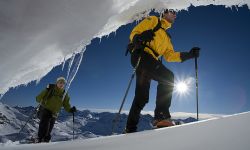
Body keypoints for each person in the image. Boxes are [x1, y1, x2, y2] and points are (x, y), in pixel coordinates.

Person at [125, 9, 200, 133]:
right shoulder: (153, 20)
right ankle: (161, 116)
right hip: (141, 54)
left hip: (149, 61)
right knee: (168, 77)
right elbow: (135, 32)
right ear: (163, 13)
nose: (174, 14)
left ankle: (130, 128)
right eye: (171, 11)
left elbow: (169, 56)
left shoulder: (167, 37)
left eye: (176, 13)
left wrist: (190, 55)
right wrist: (139, 37)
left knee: (142, 97)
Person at [36, 77, 77, 142]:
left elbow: (66, 104)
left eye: (63, 83)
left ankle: (45, 141)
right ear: (56, 83)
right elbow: (38, 98)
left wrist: (70, 110)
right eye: (60, 82)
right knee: (45, 124)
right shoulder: (50, 89)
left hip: (55, 113)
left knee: (50, 128)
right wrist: (46, 90)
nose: (62, 84)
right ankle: (40, 139)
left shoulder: (64, 94)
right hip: (46, 109)